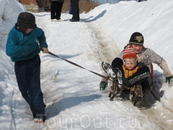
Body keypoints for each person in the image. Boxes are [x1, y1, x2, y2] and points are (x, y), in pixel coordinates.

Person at [6, 12, 49, 123]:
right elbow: (9, 51)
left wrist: (43, 45)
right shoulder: (13, 34)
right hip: (20, 65)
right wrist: (28, 49)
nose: (31, 30)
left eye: (32, 27)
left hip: (34, 61)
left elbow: (40, 34)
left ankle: (39, 113)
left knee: (34, 88)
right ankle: (38, 104)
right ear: (21, 26)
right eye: (29, 28)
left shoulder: (34, 30)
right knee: (24, 90)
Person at [100, 32, 173, 90]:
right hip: (126, 76)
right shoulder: (127, 52)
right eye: (135, 45)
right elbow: (113, 65)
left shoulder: (148, 52)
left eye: (140, 45)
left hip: (143, 80)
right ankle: (118, 76)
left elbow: (161, 61)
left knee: (145, 69)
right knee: (117, 61)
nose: (137, 48)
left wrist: (168, 74)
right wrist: (104, 80)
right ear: (131, 44)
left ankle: (125, 83)